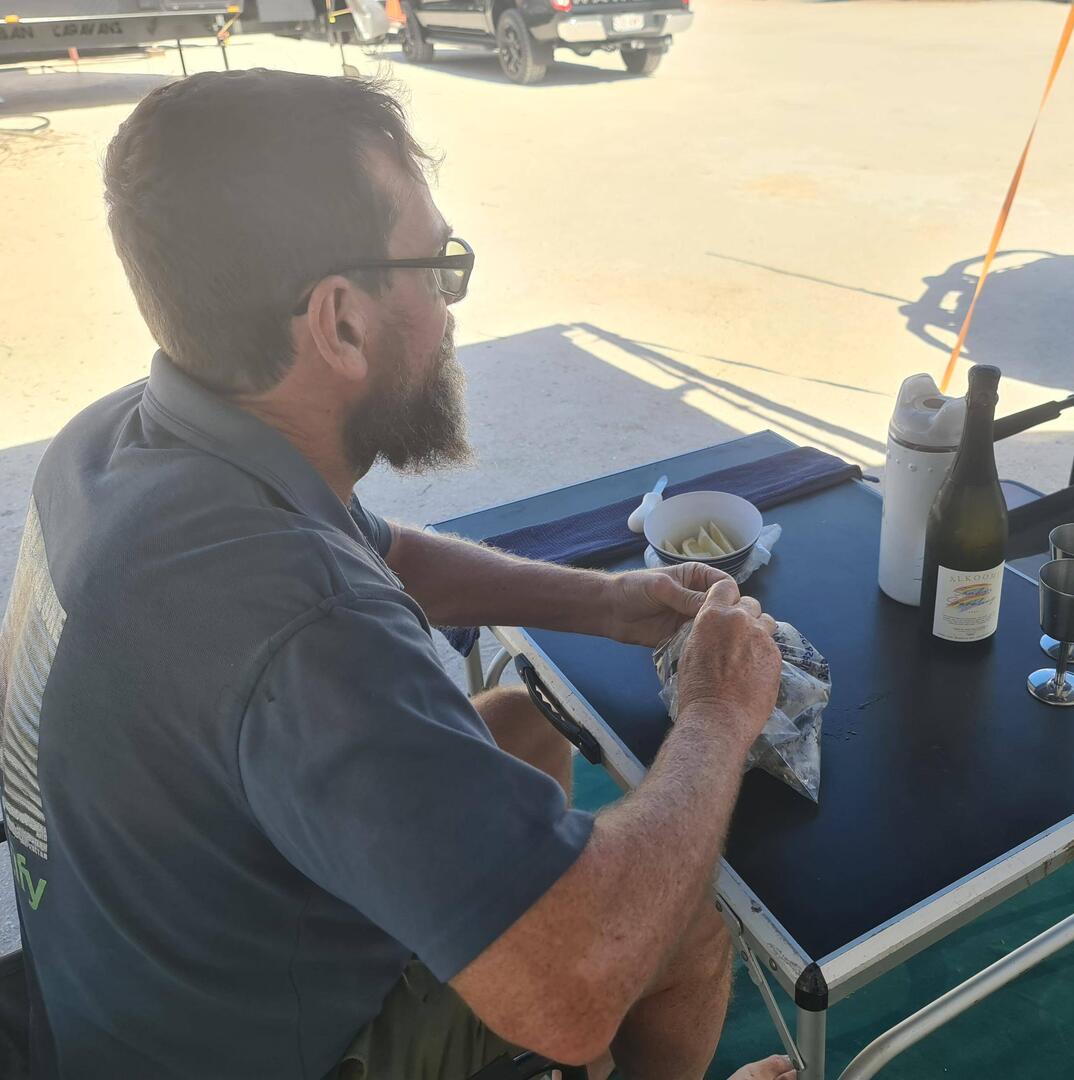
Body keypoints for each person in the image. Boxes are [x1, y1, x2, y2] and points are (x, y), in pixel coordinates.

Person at [0, 69, 794, 1080]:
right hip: (262, 1047)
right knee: (674, 931)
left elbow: (383, 553)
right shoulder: (303, 625)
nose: (451, 311)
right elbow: (576, 990)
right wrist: (718, 712)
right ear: (340, 322)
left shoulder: (119, 440)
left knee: (522, 723)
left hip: (136, 963)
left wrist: (608, 600)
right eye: (436, 268)